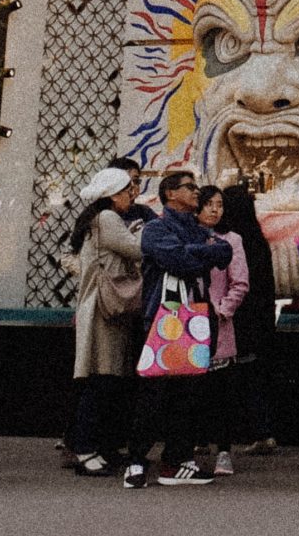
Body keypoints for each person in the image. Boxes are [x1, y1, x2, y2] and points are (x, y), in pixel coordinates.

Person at [118, 168, 232, 488]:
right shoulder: (156, 228)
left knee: (189, 394)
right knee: (154, 393)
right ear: (170, 194)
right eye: (189, 187)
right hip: (164, 317)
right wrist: (202, 252)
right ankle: (137, 461)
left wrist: (196, 252)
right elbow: (178, 260)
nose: (197, 192)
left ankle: (177, 461)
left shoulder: (195, 229)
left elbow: (224, 252)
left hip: (196, 316)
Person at [66, 166, 144, 476]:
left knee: (103, 382)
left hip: (102, 309)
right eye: (127, 190)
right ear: (112, 194)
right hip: (103, 311)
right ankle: (86, 450)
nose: (132, 195)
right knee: (100, 381)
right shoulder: (108, 219)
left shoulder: (96, 219)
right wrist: (143, 231)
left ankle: (95, 446)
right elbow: (136, 250)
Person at [192, 184, 253, 480]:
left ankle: (224, 451)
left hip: (219, 324)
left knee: (222, 392)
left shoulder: (232, 239)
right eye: (209, 204)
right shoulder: (187, 236)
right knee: (192, 389)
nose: (215, 210)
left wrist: (223, 309)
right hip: (189, 322)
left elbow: (240, 282)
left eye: (220, 204)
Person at [215, 183, 279, 455]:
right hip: (259, 319)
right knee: (254, 378)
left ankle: (219, 438)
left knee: (226, 380)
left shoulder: (229, 240)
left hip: (235, 319)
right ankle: (263, 432)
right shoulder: (258, 238)